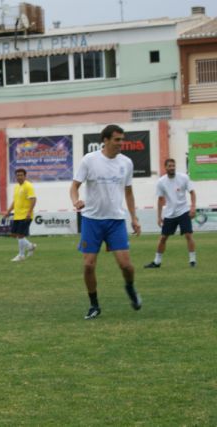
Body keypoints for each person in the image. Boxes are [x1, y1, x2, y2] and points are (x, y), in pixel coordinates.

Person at [70, 124, 142, 320]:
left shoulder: (126, 163)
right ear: (106, 140)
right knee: (88, 265)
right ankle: (94, 305)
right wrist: (75, 201)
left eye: (122, 139)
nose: (121, 143)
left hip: (116, 221)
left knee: (126, 266)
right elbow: (74, 186)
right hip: (91, 220)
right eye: (117, 139)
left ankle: (130, 288)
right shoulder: (90, 160)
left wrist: (134, 218)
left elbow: (128, 192)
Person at [145, 158, 197, 268]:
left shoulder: (183, 178)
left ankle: (192, 260)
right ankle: (157, 262)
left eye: (173, 165)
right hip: (170, 214)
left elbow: (192, 192)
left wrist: (193, 207)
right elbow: (160, 200)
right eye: (170, 166)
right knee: (163, 238)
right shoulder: (161, 182)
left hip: (183, 211)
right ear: (165, 167)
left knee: (188, 235)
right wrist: (159, 217)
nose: (172, 167)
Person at [5, 168, 37, 262]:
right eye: (17, 175)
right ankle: (31, 246)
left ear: (25, 176)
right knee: (14, 234)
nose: (19, 177)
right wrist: (8, 211)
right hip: (17, 215)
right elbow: (15, 201)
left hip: (25, 215)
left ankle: (21, 255)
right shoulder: (16, 187)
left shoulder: (28, 186)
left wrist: (29, 212)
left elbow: (33, 200)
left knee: (20, 235)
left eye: (21, 175)